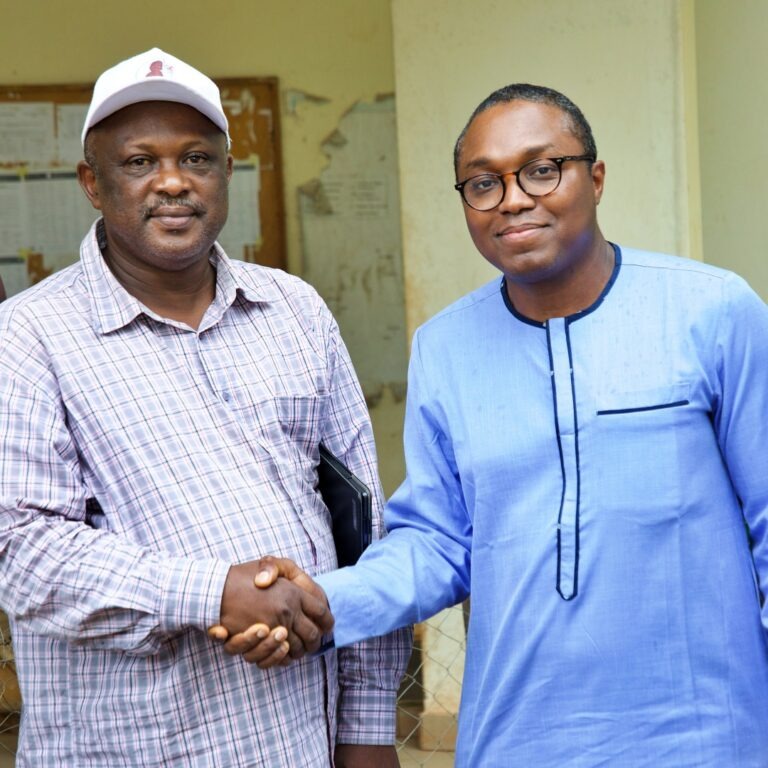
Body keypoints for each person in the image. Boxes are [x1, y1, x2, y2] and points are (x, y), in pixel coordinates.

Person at [235, 84, 768, 766]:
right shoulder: (445, 346)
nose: (513, 199)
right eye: (483, 182)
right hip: (518, 736)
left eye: (542, 170)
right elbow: (437, 542)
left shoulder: (714, 313)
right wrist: (320, 603)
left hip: (703, 736)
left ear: (595, 178)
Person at [0, 48, 410, 768]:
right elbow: (21, 552)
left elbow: (360, 529)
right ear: (92, 184)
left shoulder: (295, 310)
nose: (171, 183)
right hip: (133, 750)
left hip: (302, 743)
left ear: (226, 174)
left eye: (197, 158)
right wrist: (215, 593)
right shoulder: (28, 338)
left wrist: (369, 732)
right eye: (137, 162)